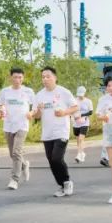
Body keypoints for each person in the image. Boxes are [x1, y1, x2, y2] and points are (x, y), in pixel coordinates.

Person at [33, 67, 79, 197]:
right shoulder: (39, 95)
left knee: (57, 158)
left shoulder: (64, 92)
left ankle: (67, 182)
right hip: (47, 133)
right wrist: (39, 110)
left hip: (61, 131)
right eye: (43, 77)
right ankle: (61, 184)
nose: (45, 79)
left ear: (55, 78)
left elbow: (75, 107)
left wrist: (64, 112)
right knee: (51, 161)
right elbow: (36, 116)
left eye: (48, 76)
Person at [0, 67, 35, 190]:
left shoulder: (28, 91)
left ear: (23, 78)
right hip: (8, 125)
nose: (17, 80)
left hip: (22, 125)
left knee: (16, 152)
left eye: (20, 77)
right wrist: (1, 109)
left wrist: (31, 113)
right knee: (12, 154)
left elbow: (35, 107)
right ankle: (24, 165)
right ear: (10, 78)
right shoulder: (5, 91)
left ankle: (14, 180)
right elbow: (0, 105)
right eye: (15, 77)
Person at [72, 86, 94, 163]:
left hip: (85, 122)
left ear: (84, 93)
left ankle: (78, 155)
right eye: (79, 94)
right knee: (78, 140)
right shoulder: (74, 100)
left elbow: (91, 112)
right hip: (76, 123)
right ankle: (82, 153)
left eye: (81, 94)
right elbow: (71, 110)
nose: (80, 96)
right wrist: (72, 116)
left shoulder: (88, 101)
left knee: (81, 138)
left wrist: (81, 115)